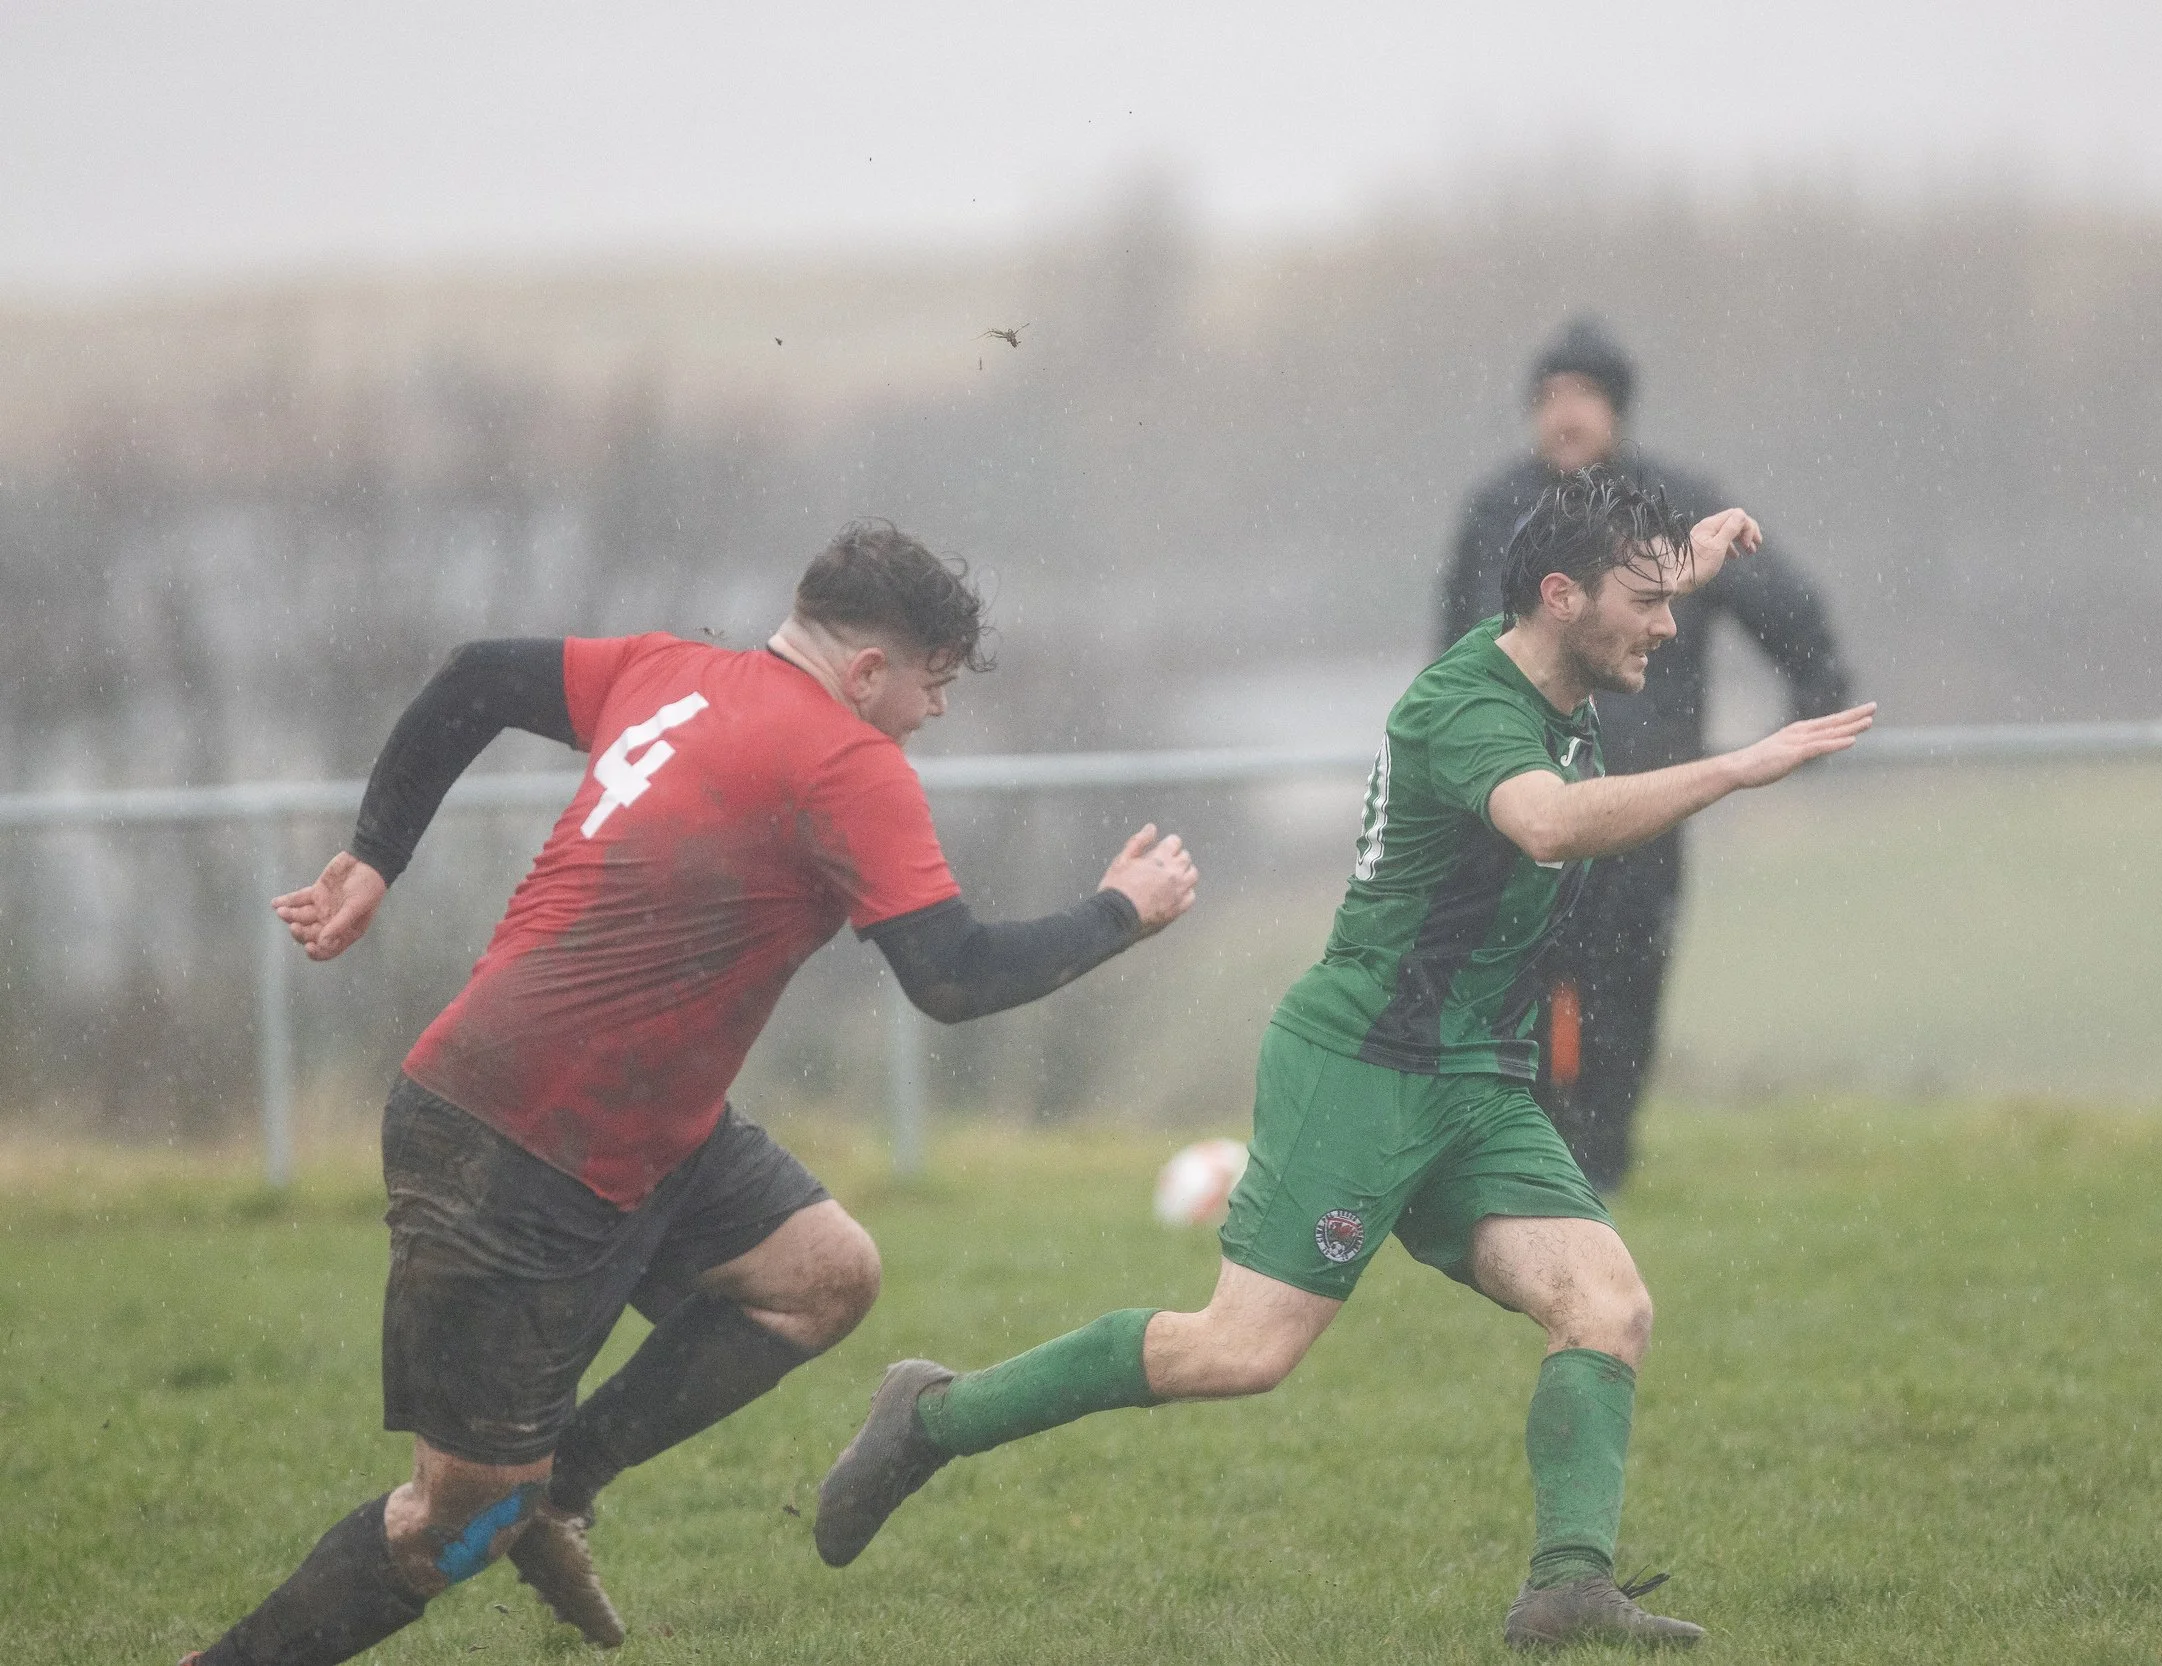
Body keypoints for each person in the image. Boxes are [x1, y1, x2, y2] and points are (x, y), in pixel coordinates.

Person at [815, 471, 1876, 1650]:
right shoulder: (1460, 707)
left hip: (1476, 1077)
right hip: (1361, 1065)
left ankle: (1568, 1588)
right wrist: (1737, 764)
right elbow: (1547, 822)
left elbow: (1616, 592)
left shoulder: (1556, 643)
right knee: (1240, 1350)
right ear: (1563, 596)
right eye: (1648, 602)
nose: (1668, 628)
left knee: (1606, 1305)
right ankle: (933, 1415)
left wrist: (1694, 554)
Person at [180, 521, 1199, 1666]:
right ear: (867, 670)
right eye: (934, 682)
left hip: (630, 1127)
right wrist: (1122, 912)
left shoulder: (668, 671)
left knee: (822, 1276)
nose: (937, 711)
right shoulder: (848, 762)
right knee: (454, 1519)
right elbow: (951, 977)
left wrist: (375, 854)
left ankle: (563, 1483)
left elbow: (475, 679)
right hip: (512, 1143)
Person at [1440, 317, 1853, 1190]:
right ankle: (1530, 1165)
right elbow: (1452, 652)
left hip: (1639, 806)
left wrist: (1817, 690)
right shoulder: (1496, 512)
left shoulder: (1672, 508)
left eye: (1584, 398)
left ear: (1618, 411)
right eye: (1550, 399)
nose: (1565, 417)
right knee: (1513, 994)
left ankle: (1603, 1168)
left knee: (1621, 997)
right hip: (1520, 806)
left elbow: (1780, 605)